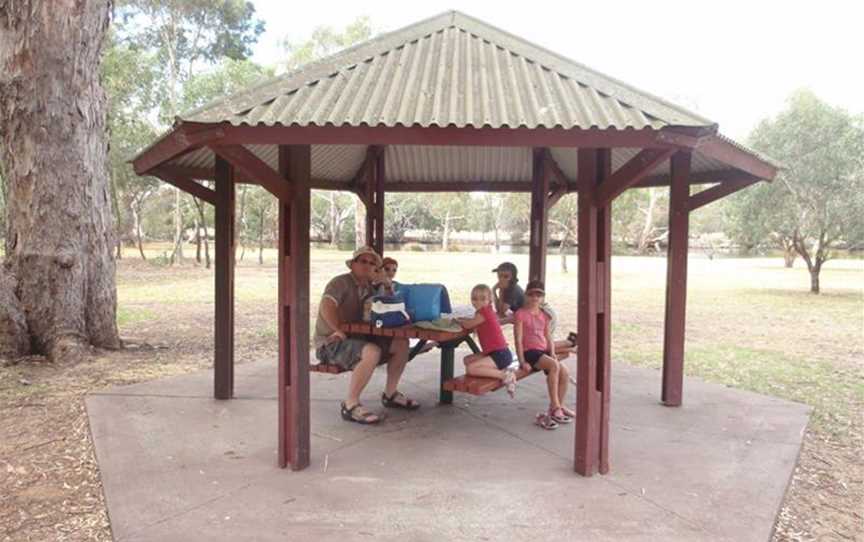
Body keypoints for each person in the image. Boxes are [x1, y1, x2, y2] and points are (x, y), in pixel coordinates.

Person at [314, 246, 420, 425]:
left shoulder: (372, 289)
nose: (367, 266)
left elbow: (390, 308)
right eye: (362, 261)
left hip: (358, 339)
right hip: (331, 343)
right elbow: (327, 305)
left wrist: (386, 284)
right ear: (353, 264)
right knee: (372, 351)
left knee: (401, 343)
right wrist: (337, 329)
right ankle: (350, 404)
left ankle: (390, 394)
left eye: (372, 264)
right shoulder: (340, 283)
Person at [514, 280, 575, 429]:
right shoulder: (521, 314)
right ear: (526, 295)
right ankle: (555, 407)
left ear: (543, 297)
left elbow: (548, 337)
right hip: (530, 352)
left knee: (564, 373)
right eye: (531, 294)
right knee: (554, 366)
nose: (535, 298)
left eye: (538, 295)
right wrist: (522, 361)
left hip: (543, 351)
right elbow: (518, 339)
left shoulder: (544, 315)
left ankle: (558, 406)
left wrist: (553, 353)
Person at [493, 262, 577, 354]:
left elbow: (502, 312)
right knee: (538, 347)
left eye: (505, 277)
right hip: (533, 317)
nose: (501, 279)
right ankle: (570, 345)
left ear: (512, 278)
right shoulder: (506, 290)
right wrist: (495, 291)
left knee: (541, 346)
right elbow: (500, 311)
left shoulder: (512, 290)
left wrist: (495, 322)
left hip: (543, 314)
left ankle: (570, 343)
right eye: (499, 276)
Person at [457, 284, 518, 397]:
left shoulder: (484, 312)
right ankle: (499, 372)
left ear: (490, 300)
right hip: (496, 353)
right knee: (468, 360)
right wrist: (464, 320)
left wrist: (459, 321)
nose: (477, 302)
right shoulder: (487, 311)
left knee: (470, 369)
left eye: (482, 299)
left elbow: (468, 325)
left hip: (500, 355)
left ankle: (505, 375)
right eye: (474, 299)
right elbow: (473, 321)